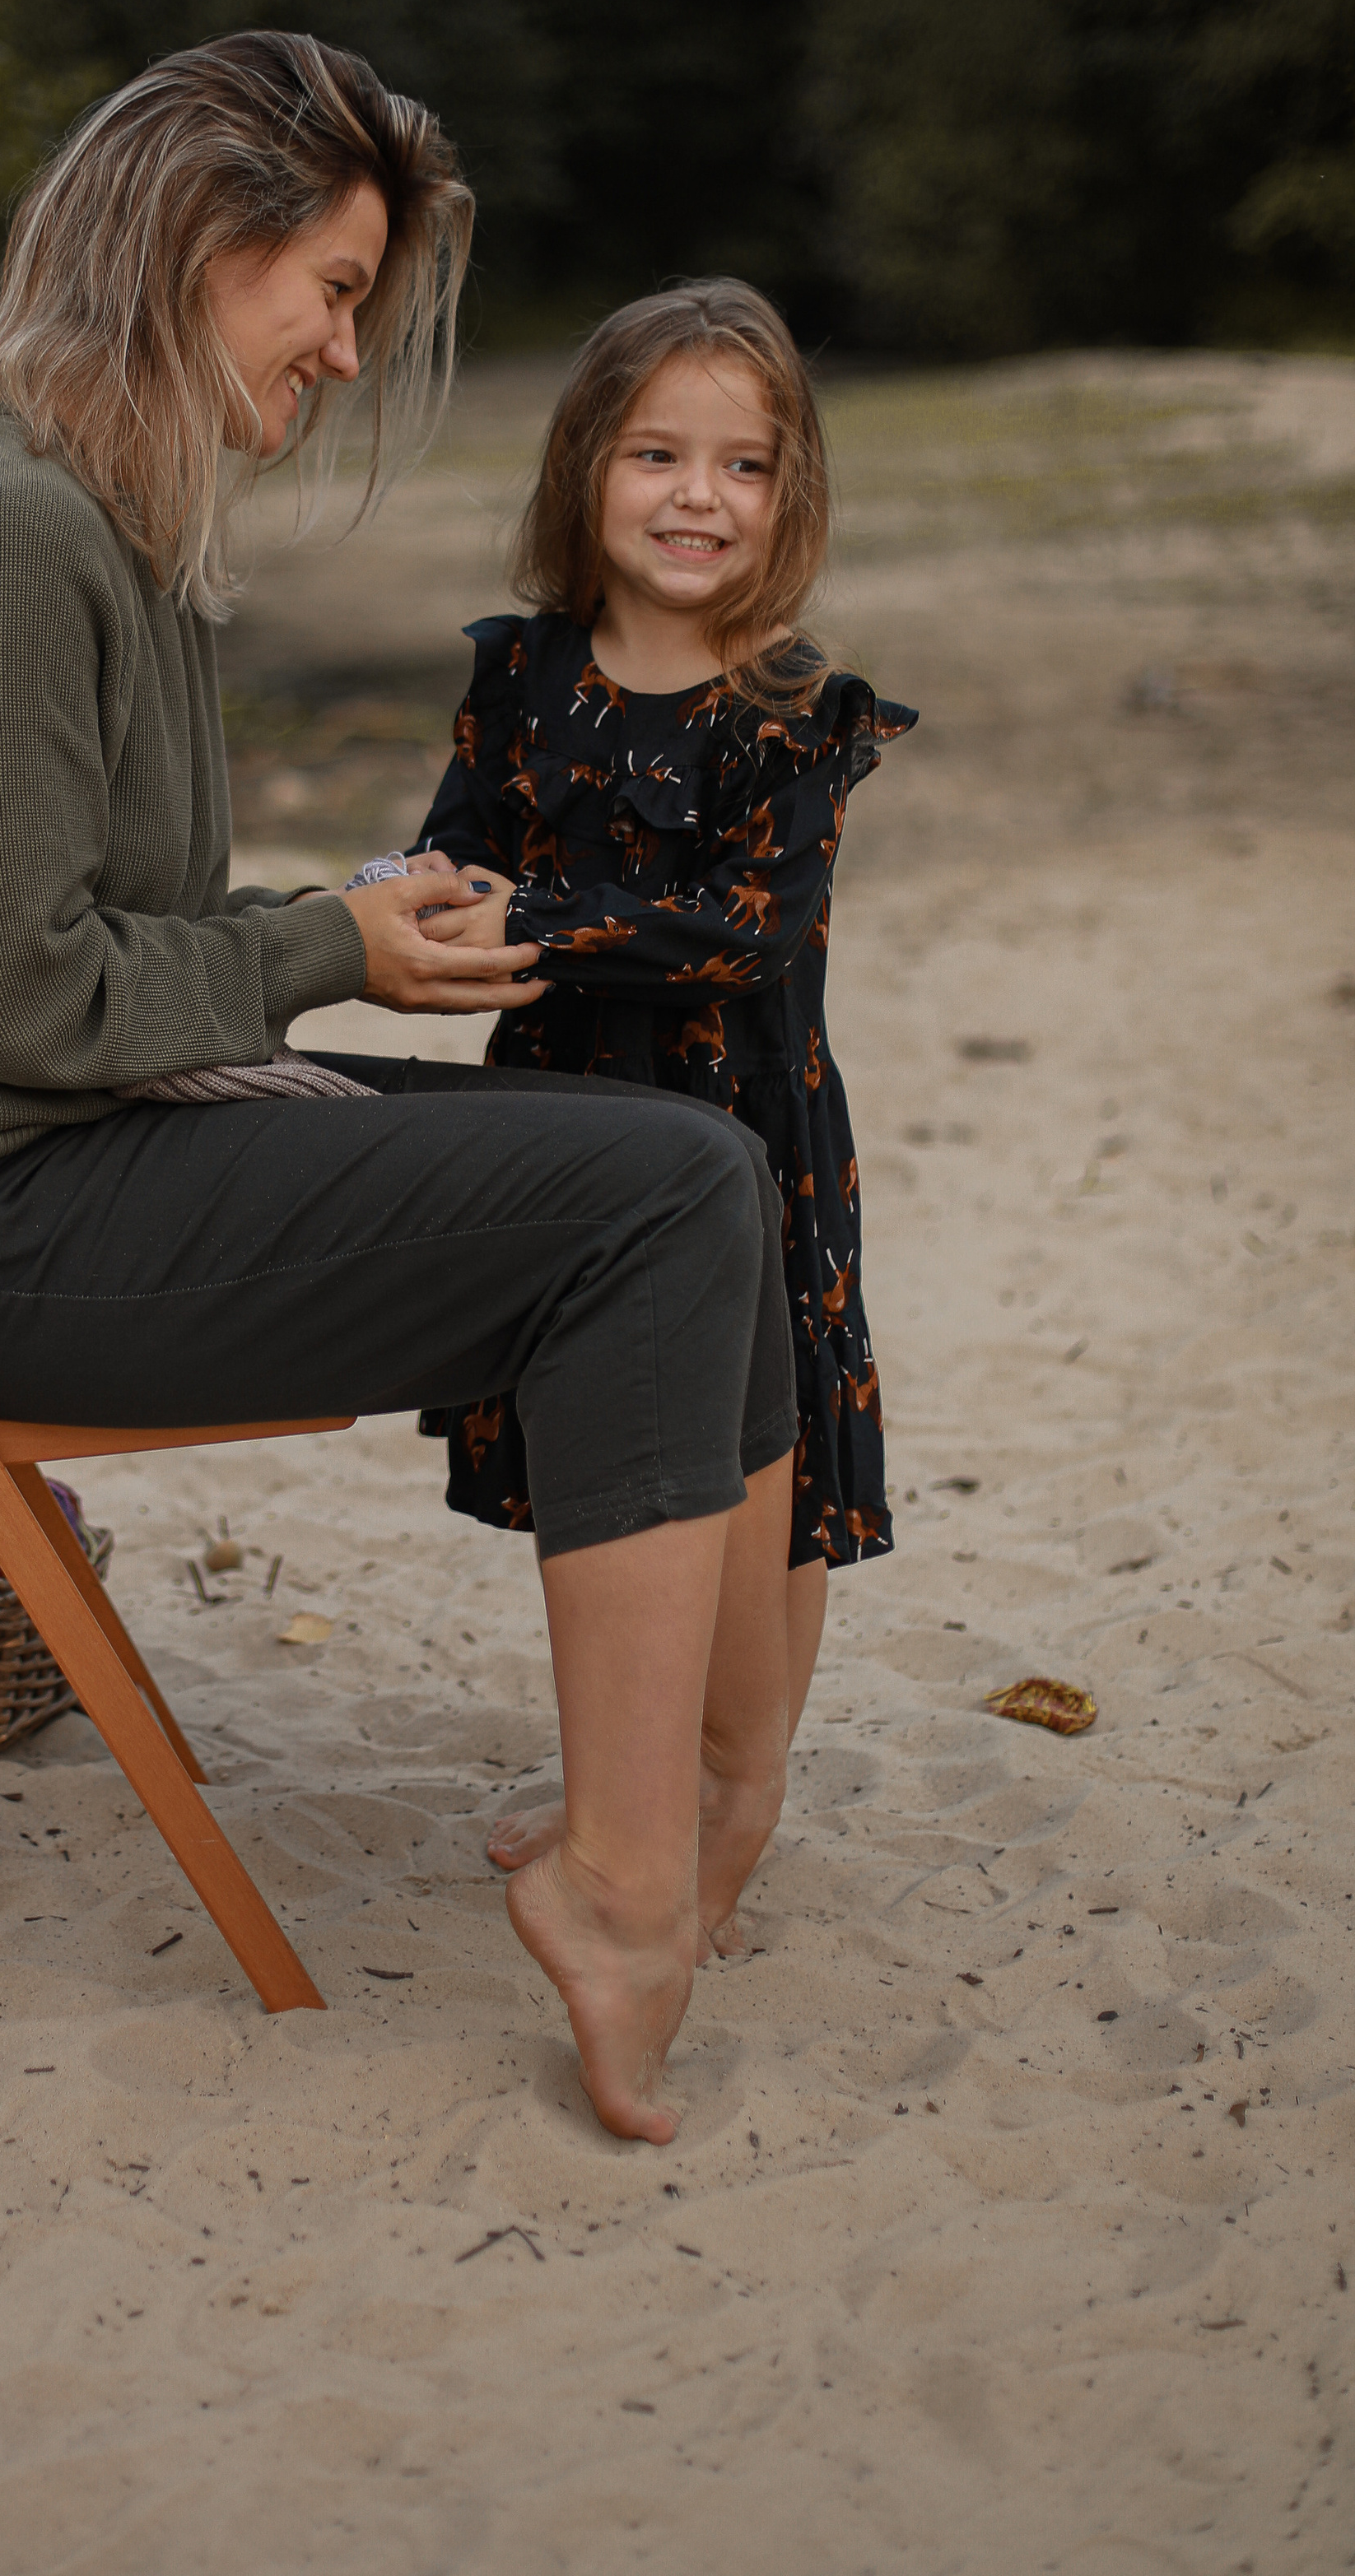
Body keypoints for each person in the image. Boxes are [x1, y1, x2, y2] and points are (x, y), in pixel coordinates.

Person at [0, 36, 798, 2141]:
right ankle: (623, 1877)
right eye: (326, 290)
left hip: (55, 1162)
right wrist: (325, 945)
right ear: (189, 249)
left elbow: (70, 937)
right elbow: (13, 1000)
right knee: (657, 1203)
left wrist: (338, 923)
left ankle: (686, 1805)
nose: (339, 352)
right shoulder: (0, 540)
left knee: (701, 1159)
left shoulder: (82, 528)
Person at [398, 282, 914, 1948]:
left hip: (741, 1131)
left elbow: (748, 932)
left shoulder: (787, 716)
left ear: (787, 497)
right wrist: (400, 907)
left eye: (742, 465)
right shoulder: (517, 675)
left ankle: (734, 1777)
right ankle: (635, 1771)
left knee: (758, 1451)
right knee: (617, 1452)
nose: (697, 496)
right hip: (559, 1121)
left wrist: (535, 928)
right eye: (655, 454)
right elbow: (450, 847)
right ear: (582, 473)